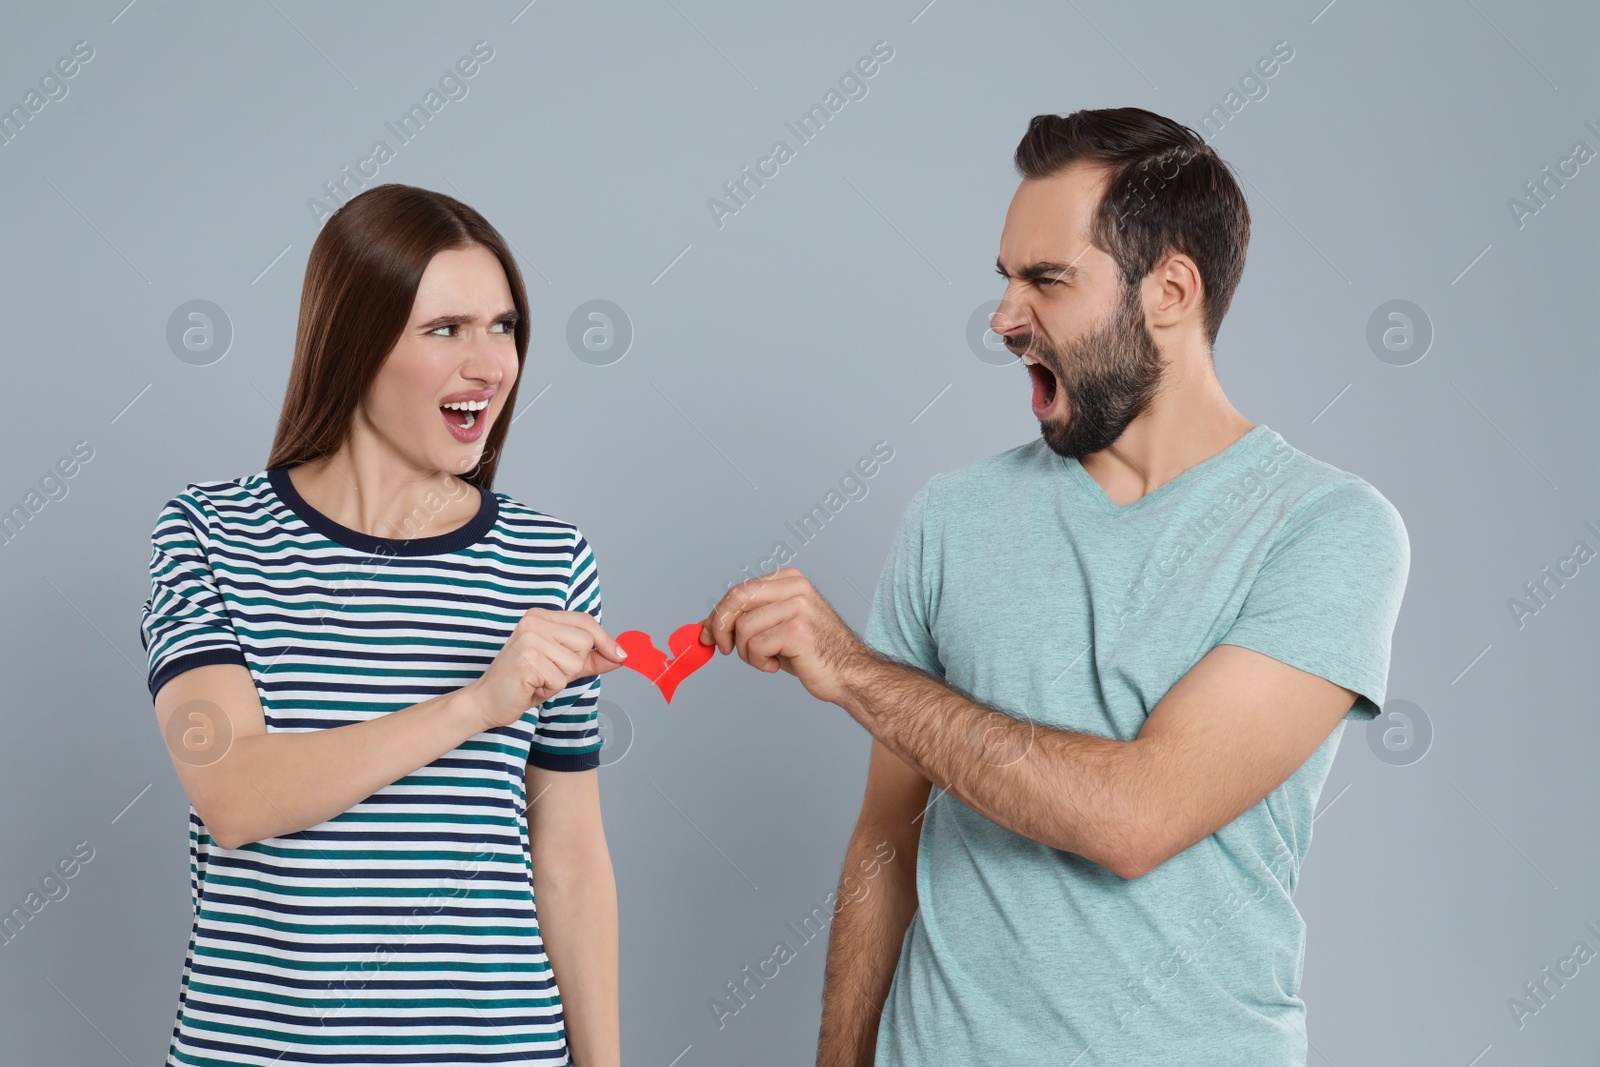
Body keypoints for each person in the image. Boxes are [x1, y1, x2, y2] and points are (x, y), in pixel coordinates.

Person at [700, 107, 1410, 1066]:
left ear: (1169, 290)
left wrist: (854, 671)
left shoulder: (1327, 527)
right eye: (1004, 278)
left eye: (1046, 279)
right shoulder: (948, 519)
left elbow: (1134, 818)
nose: (1002, 317)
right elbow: (886, 846)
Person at [139, 184, 628, 1067]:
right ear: (355, 344)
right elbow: (234, 796)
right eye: (444, 330)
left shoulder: (550, 560)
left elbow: (571, 861)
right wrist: (477, 703)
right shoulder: (209, 534)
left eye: (503, 326)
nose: (489, 364)